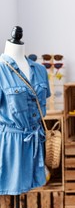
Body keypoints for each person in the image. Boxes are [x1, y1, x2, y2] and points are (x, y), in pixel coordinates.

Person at [0, 26, 50, 195]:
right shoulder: (1, 70)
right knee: (12, 195)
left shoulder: (40, 70)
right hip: (10, 146)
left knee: (33, 191)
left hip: (36, 142)